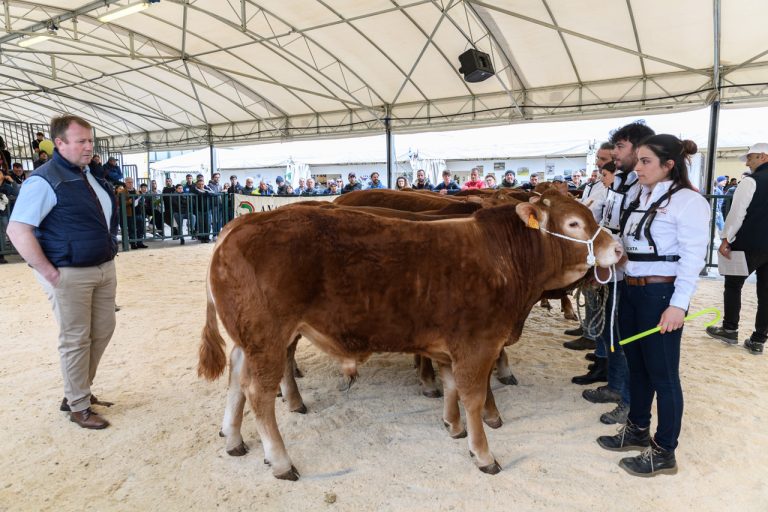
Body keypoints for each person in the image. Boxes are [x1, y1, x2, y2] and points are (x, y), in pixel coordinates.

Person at [597, 134, 710, 477]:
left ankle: (664, 451)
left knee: (663, 375)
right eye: (640, 160)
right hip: (630, 289)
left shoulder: (689, 201)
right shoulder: (638, 195)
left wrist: (679, 304)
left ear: (669, 165)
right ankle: (637, 429)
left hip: (661, 296)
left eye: (647, 161)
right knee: (638, 367)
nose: (639, 167)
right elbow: (627, 238)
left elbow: (692, 259)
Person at [6, 115, 118, 429]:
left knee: (103, 330)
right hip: (69, 272)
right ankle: (78, 406)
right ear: (59, 143)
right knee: (75, 340)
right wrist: (48, 272)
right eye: (81, 141)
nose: (88, 147)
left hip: (103, 265)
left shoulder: (89, 174)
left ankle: (77, 391)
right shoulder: (43, 179)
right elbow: (17, 230)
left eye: (91, 141)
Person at [706, 142, 768, 354]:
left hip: (749, 242)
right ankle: (759, 339)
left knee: (733, 285)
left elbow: (737, 213)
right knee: (766, 292)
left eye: (750, 158)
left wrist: (726, 238)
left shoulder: (751, 181)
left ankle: (730, 329)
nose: (748, 163)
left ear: (762, 157)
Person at [0, 171, 20, 264]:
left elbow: (17, 193)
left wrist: (12, 181)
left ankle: (2, 255)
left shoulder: (7, 187)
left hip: (4, 214)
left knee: (4, 233)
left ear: (3, 176)